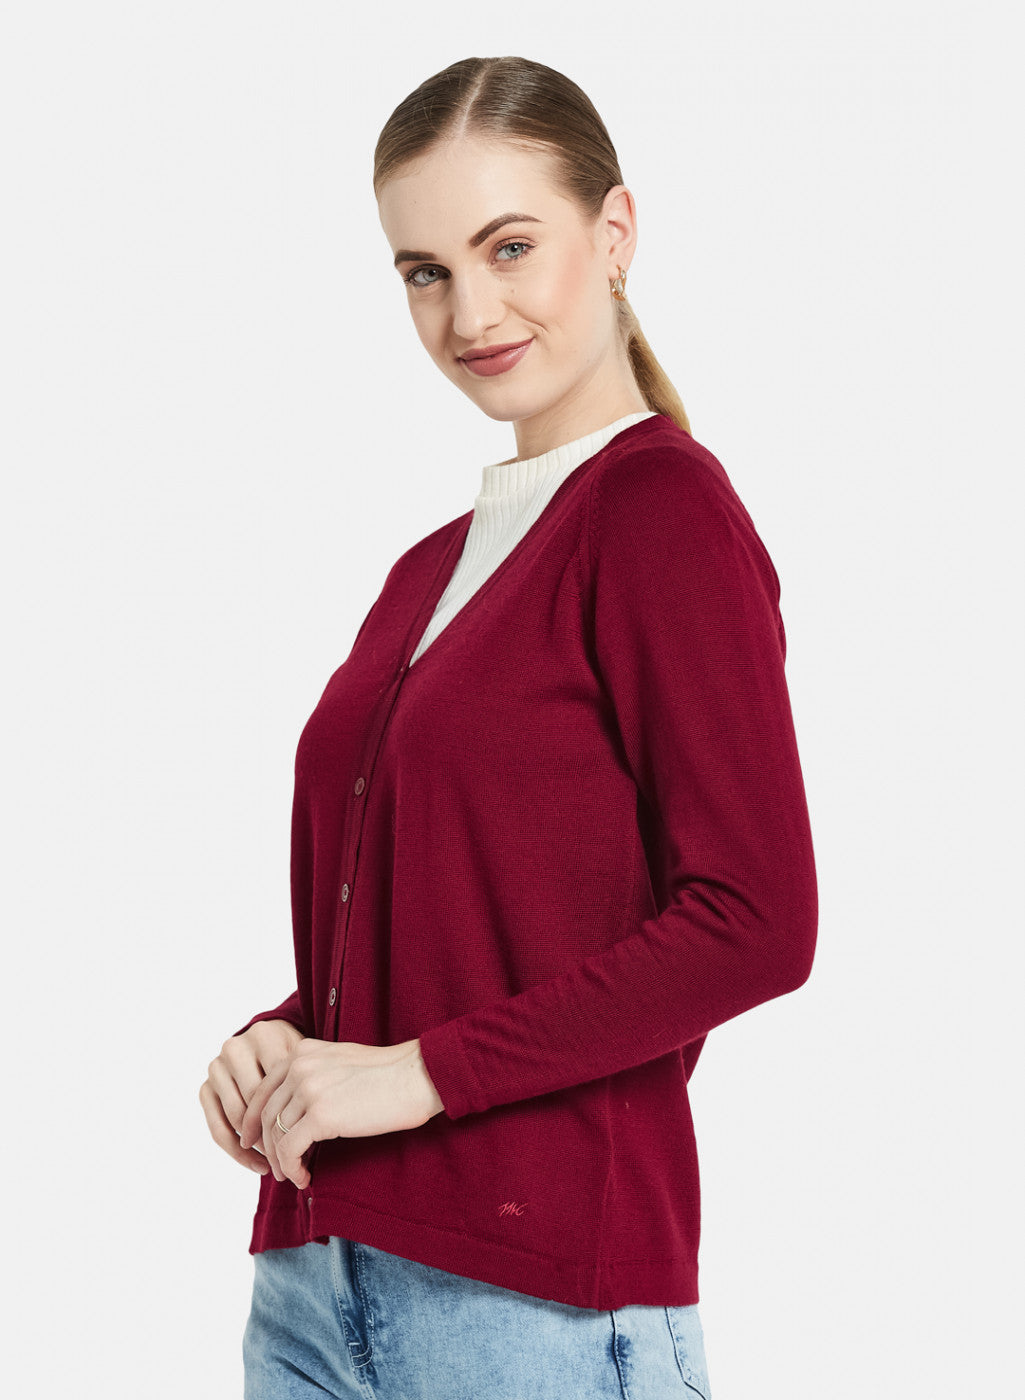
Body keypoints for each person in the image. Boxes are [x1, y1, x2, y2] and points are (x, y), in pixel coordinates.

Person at [199, 55, 818, 1400]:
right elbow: (468, 928)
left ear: (615, 231)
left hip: (532, 1307)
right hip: (313, 1283)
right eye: (425, 270)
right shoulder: (428, 570)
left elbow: (756, 921)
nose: (469, 311)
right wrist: (287, 1043)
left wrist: (415, 1077)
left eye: (509, 247)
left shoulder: (658, 513)